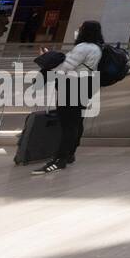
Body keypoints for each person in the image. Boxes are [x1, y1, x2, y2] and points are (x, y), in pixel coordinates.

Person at [32, 20, 104, 174]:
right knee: (76, 121)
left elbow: (64, 67)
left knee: (68, 124)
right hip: (85, 85)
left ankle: (60, 159)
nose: (78, 30)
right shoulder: (97, 48)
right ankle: (70, 154)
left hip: (72, 86)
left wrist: (46, 57)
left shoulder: (83, 47)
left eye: (80, 28)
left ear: (85, 31)